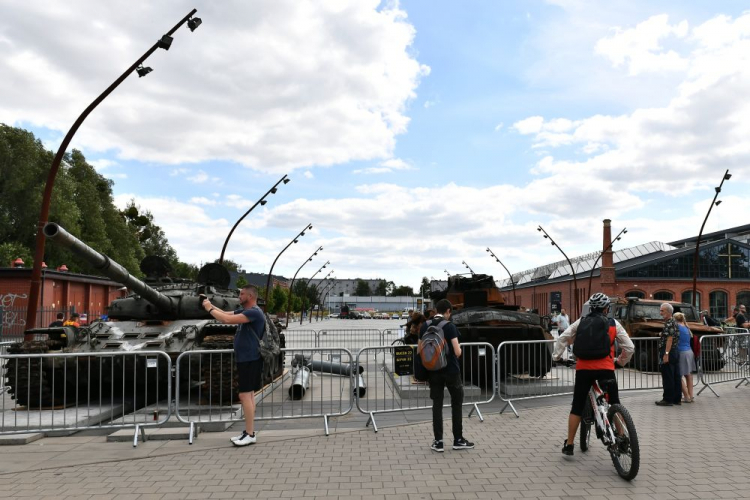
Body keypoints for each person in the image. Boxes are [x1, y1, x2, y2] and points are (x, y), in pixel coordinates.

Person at [553, 292, 634, 456]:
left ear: (591, 307)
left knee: (577, 406)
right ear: (606, 308)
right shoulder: (613, 324)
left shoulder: (580, 322)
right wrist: (620, 362)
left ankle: (569, 445)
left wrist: (557, 357)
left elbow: (563, 338)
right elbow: (630, 347)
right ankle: (622, 437)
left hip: (584, 369)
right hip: (606, 368)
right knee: (614, 402)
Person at [202, 285, 265, 447]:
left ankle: (250, 434)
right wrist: (208, 303)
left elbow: (226, 320)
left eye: (242, 294)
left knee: (245, 396)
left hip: (250, 358)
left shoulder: (254, 312)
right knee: (248, 395)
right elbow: (225, 313)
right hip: (247, 358)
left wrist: (209, 309)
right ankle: (249, 432)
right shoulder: (247, 312)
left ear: (250, 296)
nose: (239, 296)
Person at [420, 299, 474, 452]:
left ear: (436, 309)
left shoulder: (425, 325)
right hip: (451, 371)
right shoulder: (449, 327)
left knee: (437, 405)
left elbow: (420, 350)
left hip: (433, 372)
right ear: (448, 311)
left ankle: (438, 442)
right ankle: (458, 440)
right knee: (456, 404)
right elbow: (457, 352)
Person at [656, 303, 681, 406]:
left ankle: (668, 399)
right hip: (675, 351)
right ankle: (676, 398)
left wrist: (666, 354)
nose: (660, 313)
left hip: (669, 352)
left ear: (668, 312)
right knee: (675, 375)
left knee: (668, 376)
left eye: (662, 311)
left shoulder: (669, 323)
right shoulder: (674, 322)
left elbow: (669, 339)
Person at [674, 312, 696, 403]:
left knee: (678, 375)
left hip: (681, 352)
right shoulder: (686, 326)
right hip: (689, 352)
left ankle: (686, 396)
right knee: (688, 375)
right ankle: (691, 396)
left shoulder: (677, 327)